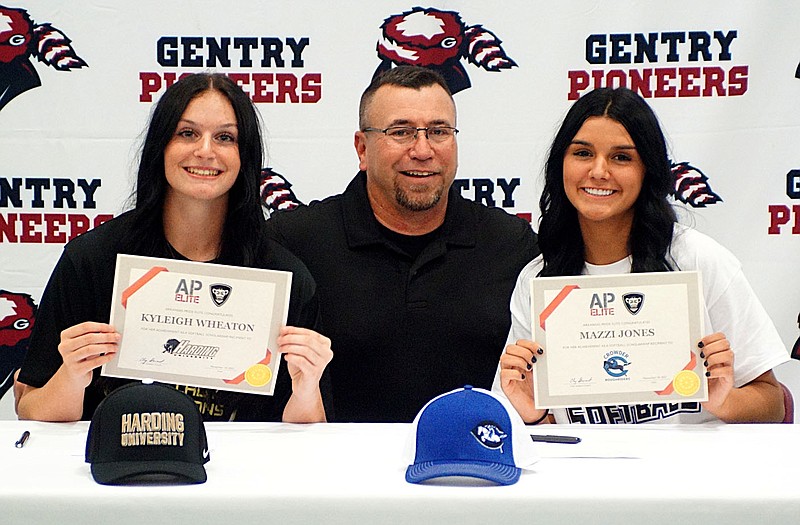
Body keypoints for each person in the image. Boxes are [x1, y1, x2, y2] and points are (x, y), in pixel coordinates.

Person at [15, 73, 333, 423]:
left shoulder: (284, 278)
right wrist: (73, 377)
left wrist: (307, 386)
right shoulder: (92, 260)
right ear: (160, 146)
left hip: (242, 475)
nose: (205, 151)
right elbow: (31, 410)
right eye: (187, 133)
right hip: (118, 469)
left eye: (225, 137)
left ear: (246, 157)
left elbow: (308, 436)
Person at [496, 87, 788, 424]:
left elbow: (773, 404)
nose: (599, 172)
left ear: (647, 170)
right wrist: (533, 415)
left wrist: (722, 400)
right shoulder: (538, 280)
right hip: (583, 475)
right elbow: (547, 431)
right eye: (582, 153)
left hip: (694, 474)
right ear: (561, 163)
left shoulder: (699, 260)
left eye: (621, 157)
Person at [264, 66, 539, 422]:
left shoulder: (511, 246)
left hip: (473, 472)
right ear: (362, 149)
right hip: (334, 474)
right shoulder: (292, 242)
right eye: (401, 132)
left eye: (439, 131)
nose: (423, 150)